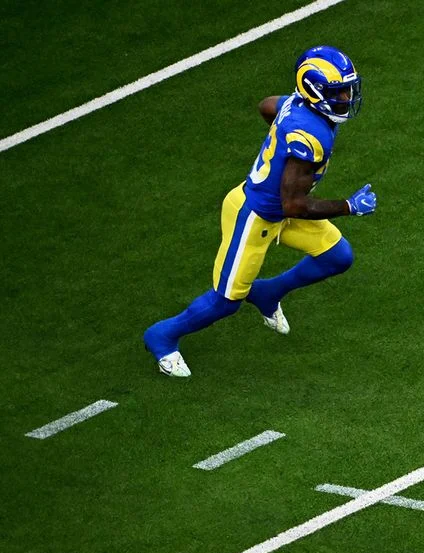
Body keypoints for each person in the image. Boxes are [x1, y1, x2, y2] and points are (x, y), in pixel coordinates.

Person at [143, 47, 375, 377]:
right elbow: (293, 205)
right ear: (313, 91)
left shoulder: (298, 106)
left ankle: (268, 292)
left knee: (337, 256)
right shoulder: (311, 133)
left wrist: (281, 138)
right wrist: (348, 207)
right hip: (256, 216)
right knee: (226, 301)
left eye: (347, 89)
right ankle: (162, 336)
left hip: (280, 208)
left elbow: (267, 106)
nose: (346, 97)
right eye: (338, 91)